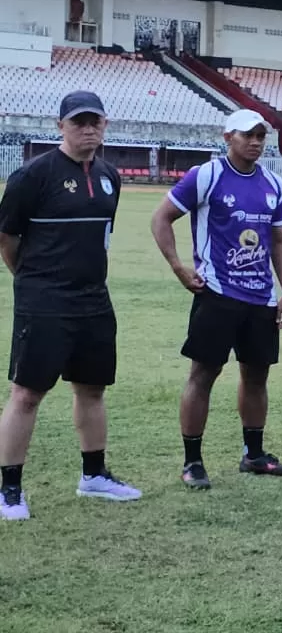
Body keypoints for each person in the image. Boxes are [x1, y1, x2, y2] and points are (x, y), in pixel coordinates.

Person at [0, 91, 141, 521]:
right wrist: (31, 279)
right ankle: (8, 491)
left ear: (105, 125)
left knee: (92, 388)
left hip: (93, 299)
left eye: (95, 121)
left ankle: (93, 476)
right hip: (44, 300)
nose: (88, 129)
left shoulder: (108, 177)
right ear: (60, 126)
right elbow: (6, 237)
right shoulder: (33, 175)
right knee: (26, 394)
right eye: (78, 122)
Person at [151, 109, 282, 489]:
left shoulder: (273, 184)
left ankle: (253, 455)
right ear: (227, 136)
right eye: (247, 134)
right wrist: (179, 267)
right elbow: (161, 218)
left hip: (260, 298)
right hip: (216, 293)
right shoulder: (207, 176)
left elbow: (280, 241)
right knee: (203, 375)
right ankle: (193, 462)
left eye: (261, 136)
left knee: (256, 376)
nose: (255, 142)